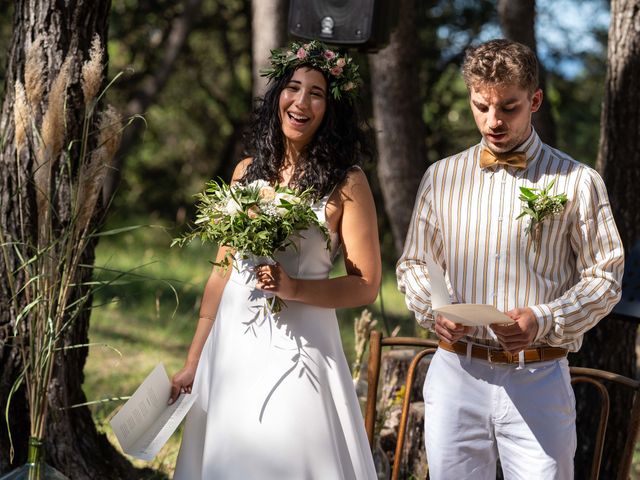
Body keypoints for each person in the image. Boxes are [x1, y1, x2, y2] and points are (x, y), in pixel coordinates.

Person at [396, 38, 624, 479]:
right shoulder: (440, 177)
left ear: (534, 100)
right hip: (455, 371)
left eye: (508, 107)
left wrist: (542, 318)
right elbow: (412, 265)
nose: (493, 121)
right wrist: (434, 311)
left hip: (537, 377)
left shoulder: (578, 181)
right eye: (481, 106)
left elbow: (606, 276)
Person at [171, 40, 380, 480]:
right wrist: (194, 362)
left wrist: (295, 288)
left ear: (331, 109)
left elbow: (366, 285)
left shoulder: (348, 182)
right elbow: (222, 273)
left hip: (301, 347)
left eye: (317, 93)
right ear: (278, 97)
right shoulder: (247, 171)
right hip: (232, 344)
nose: (301, 101)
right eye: (293, 88)